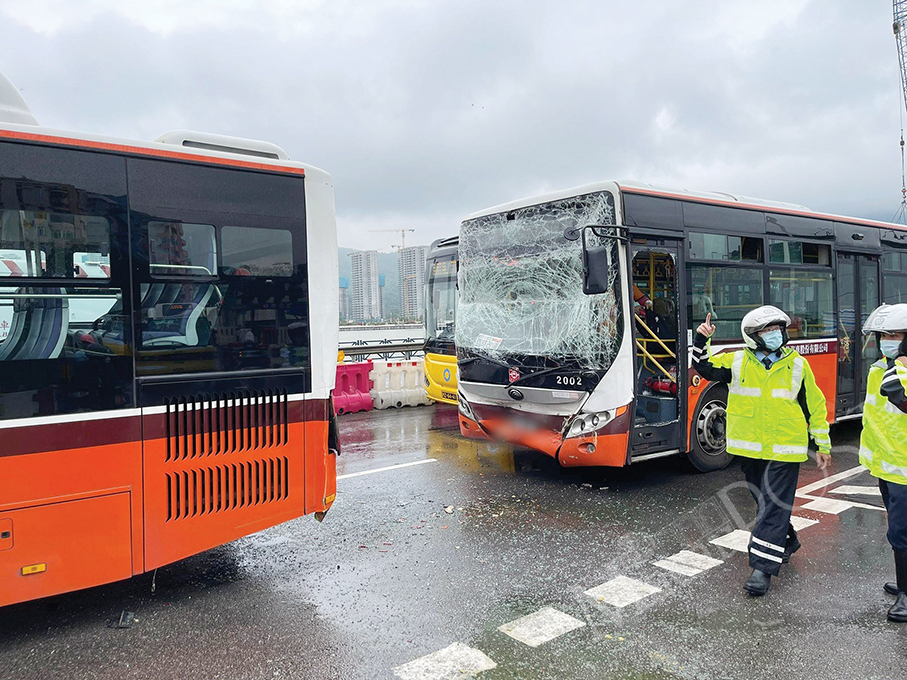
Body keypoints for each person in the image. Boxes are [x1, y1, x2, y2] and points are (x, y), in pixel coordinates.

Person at [693, 305, 831, 596]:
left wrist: (821, 443)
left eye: (778, 329)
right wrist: (701, 340)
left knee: (771, 507)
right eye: (767, 330)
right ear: (753, 336)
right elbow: (704, 368)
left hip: (785, 449)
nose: (775, 335)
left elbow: (815, 407)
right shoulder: (737, 361)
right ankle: (788, 540)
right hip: (750, 449)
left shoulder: (798, 365)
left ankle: (761, 569)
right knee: (764, 501)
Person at [859, 303, 907, 622]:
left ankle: (906, 594)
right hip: (886, 466)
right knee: (897, 530)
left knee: (902, 532)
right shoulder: (878, 368)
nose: (886, 340)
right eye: (882, 335)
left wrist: (901, 394)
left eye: (894, 335)